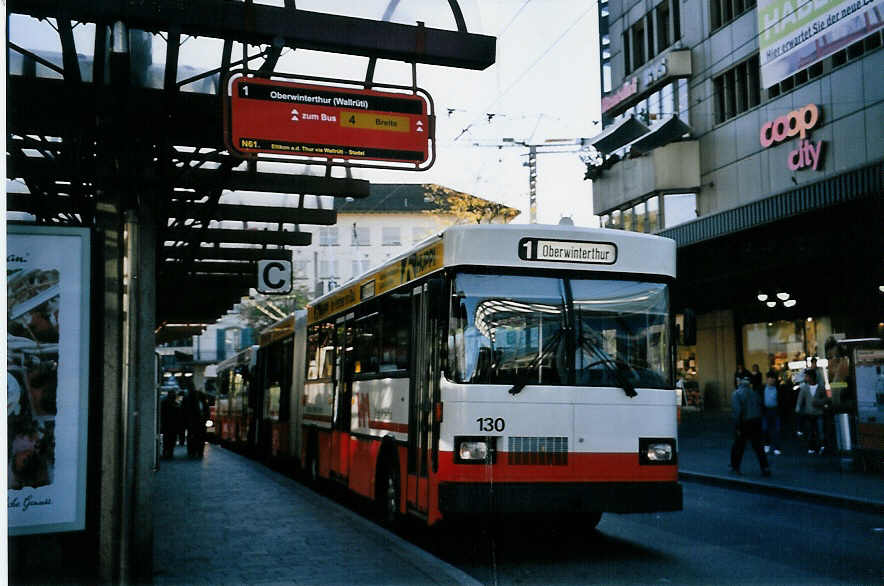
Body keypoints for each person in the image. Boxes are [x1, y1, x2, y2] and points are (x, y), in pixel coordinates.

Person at [731, 377, 771, 476]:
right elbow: (760, 406)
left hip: (745, 422)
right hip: (756, 421)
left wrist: (737, 426)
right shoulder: (755, 393)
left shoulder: (736, 394)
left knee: (739, 446)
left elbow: (737, 411)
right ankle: (765, 467)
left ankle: (736, 467)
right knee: (758, 447)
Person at [795, 369, 827, 454]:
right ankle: (812, 447)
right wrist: (798, 408)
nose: (805, 378)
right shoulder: (805, 388)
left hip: (819, 412)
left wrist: (819, 402)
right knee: (810, 431)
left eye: (806, 376)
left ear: (811, 377)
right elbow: (800, 399)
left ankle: (821, 446)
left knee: (820, 431)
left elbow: (825, 399)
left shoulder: (820, 387)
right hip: (809, 413)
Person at [762, 373, 781, 455]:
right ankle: (767, 445)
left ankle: (776, 447)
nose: (772, 380)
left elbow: (781, 400)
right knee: (765, 428)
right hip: (765, 410)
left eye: (773, 379)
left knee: (776, 429)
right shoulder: (762, 388)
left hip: (775, 410)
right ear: (767, 379)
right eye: (770, 378)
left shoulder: (778, 389)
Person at [160, 391, 179, 459]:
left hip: (168, 425)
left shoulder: (165, 403)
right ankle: (169, 452)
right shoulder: (175, 404)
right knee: (170, 440)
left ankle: (167, 452)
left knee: (168, 440)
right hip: (171, 425)